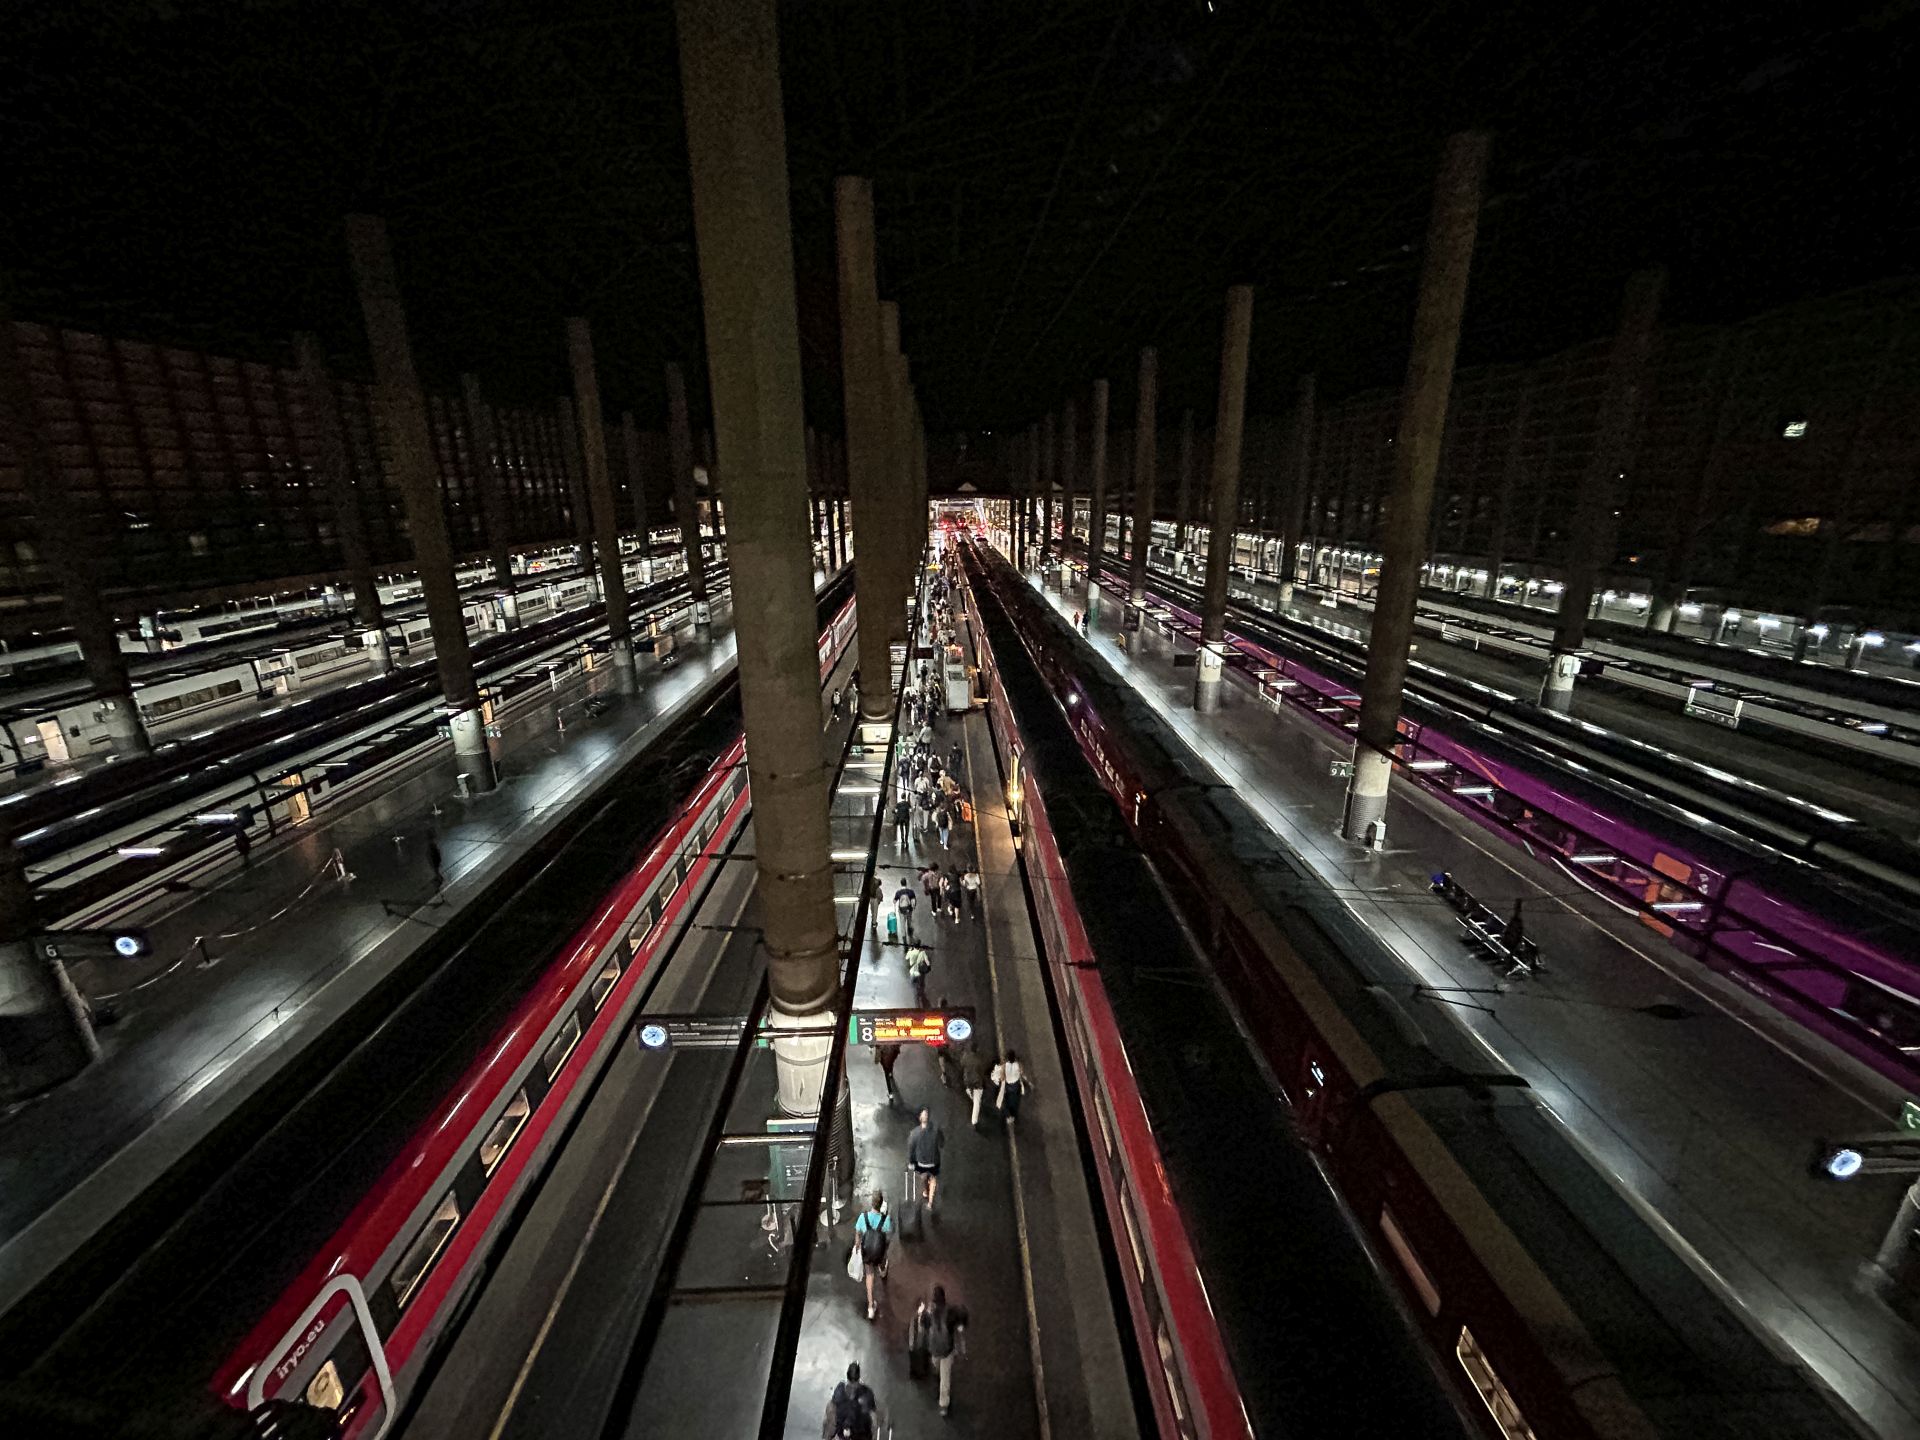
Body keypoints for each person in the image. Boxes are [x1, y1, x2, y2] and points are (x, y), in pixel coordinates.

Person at [912, 1285, 969, 1416]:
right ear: (944, 1298)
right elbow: (962, 1315)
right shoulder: (951, 1312)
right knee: (945, 1378)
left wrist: (921, 1313)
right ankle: (943, 1405)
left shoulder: (929, 1313)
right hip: (947, 1350)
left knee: (937, 1368)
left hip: (934, 1350)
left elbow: (923, 1326)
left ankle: (936, 1377)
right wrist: (961, 1327)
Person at [853, 1190, 892, 1320]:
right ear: (881, 1205)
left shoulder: (863, 1217)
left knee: (869, 1275)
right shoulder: (885, 1220)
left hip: (867, 1251)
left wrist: (858, 1244)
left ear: (872, 1203)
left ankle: (870, 1307)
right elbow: (887, 1237)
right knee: (882, 1255)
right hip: (879, 1252)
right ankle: (882, 1270)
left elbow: (858, 1232)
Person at [824, 1361, 878, 1439]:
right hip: (862, 1435)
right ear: (859, 1376)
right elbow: (874, 1419)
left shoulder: (839, 1389)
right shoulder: (867, 1393)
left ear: (847, 1375)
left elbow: (830, 1412)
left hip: (842, 1434)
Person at [906, 1108, 944, 1213]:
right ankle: (930, 1202)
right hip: (934, 1161)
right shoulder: (936, 1130)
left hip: (921, 1162)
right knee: (933, 1179)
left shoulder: (914, 1133)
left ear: (919, 1118)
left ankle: (925, 1191)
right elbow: (942, 1144)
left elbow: (911, 1149)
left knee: (923, 1177)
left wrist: (911, 1162)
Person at [960, 1040, 993, 1127]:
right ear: (976, 1050)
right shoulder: (979, 1060)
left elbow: (962, 1064)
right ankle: (974, 1121)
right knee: (977, 1103)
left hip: (967, 1081)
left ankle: (972, 1097)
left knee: (972, 1095)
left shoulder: (965, 1057)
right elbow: (982, 1072)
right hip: (977, 1083)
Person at [993, 1048, 1029, 1125]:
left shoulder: (1004, 1066)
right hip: (1016, 1086)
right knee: (1015, 1101)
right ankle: (1014, 1116)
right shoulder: (1018, 1064)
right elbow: (1022, 1074)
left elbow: (1002, 1078)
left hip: (1008, 1086)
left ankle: (1009, 1117)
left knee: (1007, 1101)